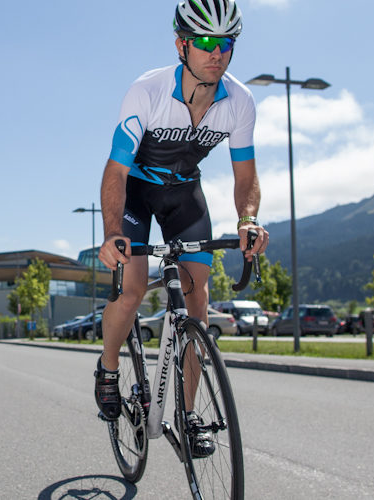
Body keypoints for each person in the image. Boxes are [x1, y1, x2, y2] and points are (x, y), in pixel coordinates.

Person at [93, 0, 269, 457]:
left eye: (226, 44)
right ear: (182, 45)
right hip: (136, 193)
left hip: (184, 196)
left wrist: (248, 219)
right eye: (206, 43)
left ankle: (190, 416)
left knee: (198, 304)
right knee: (130, 289)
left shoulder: (240, 101)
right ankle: (108, 369)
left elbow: (245, 176)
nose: (217, 53)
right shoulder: (147, 91)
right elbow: (115, 171)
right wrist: (113, 231)